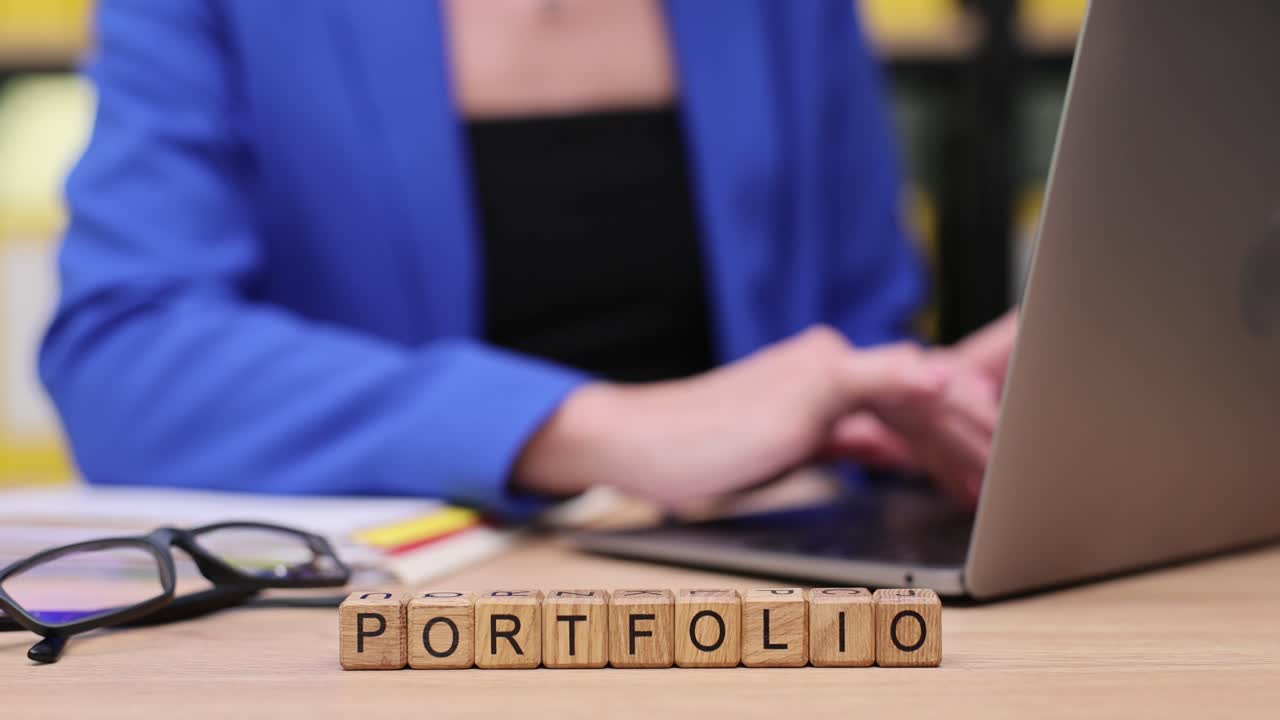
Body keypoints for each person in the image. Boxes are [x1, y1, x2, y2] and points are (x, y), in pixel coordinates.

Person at [39, 0, 1016, 520]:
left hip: (761, 605)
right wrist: (593, 428)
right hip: (402, 642)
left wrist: (922, 401)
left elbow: (852, 320)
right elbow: (125, 358)